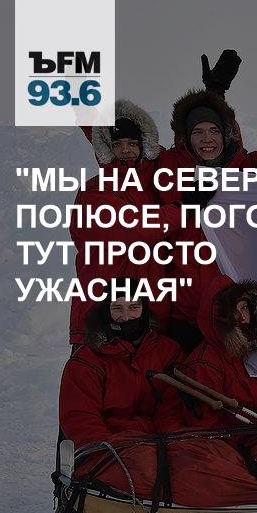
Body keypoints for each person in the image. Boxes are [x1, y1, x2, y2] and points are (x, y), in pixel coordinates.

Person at [154, 50, 247, 354]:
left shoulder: (243, 169)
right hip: (184, 310)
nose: (207, 139)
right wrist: (186, 205)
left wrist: (215, 95)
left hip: (231, 309)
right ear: (186, 137)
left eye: (214, 131)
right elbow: (122, 152)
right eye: (198, 132)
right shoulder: (169, 168)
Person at [70, 100, 177, 347]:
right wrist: (181, 209)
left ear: (144, 144)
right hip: (101, 312)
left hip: (148, 308)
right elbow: (137, 230)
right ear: (108, 148)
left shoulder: (152, 184)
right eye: (117, 144)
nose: (125, 150)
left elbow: (200, 148)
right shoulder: (96, 190)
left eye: (132, 143)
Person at [59, 286, 185, 448]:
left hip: (163, 441)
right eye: (117, 308)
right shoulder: (87, 360)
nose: (126, 317)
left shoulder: (167, 351)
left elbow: (173, 408)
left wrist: (174, 443)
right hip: (110, 447)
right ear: (106, 311)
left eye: (134, 307)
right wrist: (109, 449)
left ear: (144, 309)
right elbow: (80, 418)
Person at [177, 275, 257, 430]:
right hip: (236, 441)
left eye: (244, 307)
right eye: (234, 311)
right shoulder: (203, 365)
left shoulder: (254, 346)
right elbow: (207, 429)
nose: (243, 317)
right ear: (219, 316)